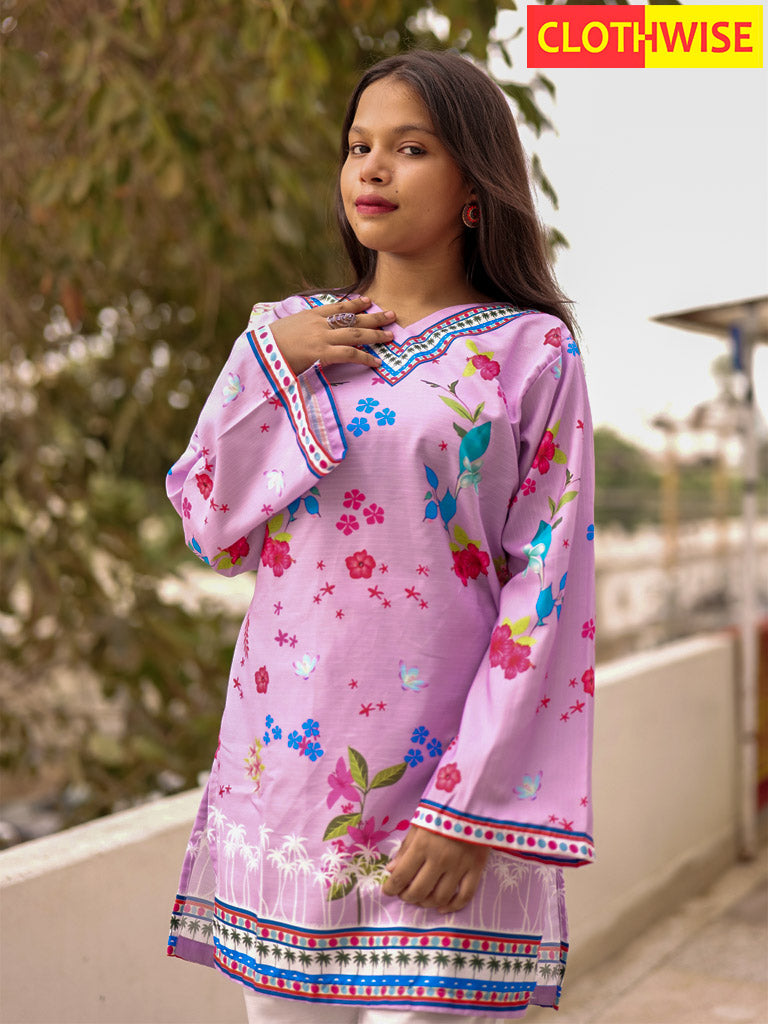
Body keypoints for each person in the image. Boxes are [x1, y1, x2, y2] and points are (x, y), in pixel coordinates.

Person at [165, 48, 595, 1024]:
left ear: (475, 186)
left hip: (444, 790)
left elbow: (548, 591)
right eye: (360, 146)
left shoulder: (531, 351)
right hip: (291, 787)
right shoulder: (286, 336)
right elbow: (208, 520)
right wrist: (267, 362)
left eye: (409, 147)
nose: (372, 167)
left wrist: (472, 806)